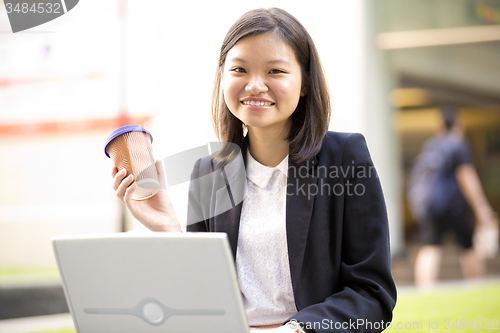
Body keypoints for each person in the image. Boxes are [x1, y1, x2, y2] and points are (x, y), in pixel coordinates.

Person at [112, 8, 396, 333]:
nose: (255, 85)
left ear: (304, 82)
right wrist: (169, 228)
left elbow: (374, 295)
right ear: (223, 78)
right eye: (240, 69)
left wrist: (296, 330)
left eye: (275, 70)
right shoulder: (209, 173)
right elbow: (202, 298)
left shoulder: (344, 158)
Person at [412, 106, 496, 289]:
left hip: (431, 205)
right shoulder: (459, 144)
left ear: (440, 125)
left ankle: (424, 292)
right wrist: (481, 207)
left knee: (430, 248)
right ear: (458, 124)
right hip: (453, 204)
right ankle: (477, 287)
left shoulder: (430, 145)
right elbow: (466, 177)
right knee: (468, 246)